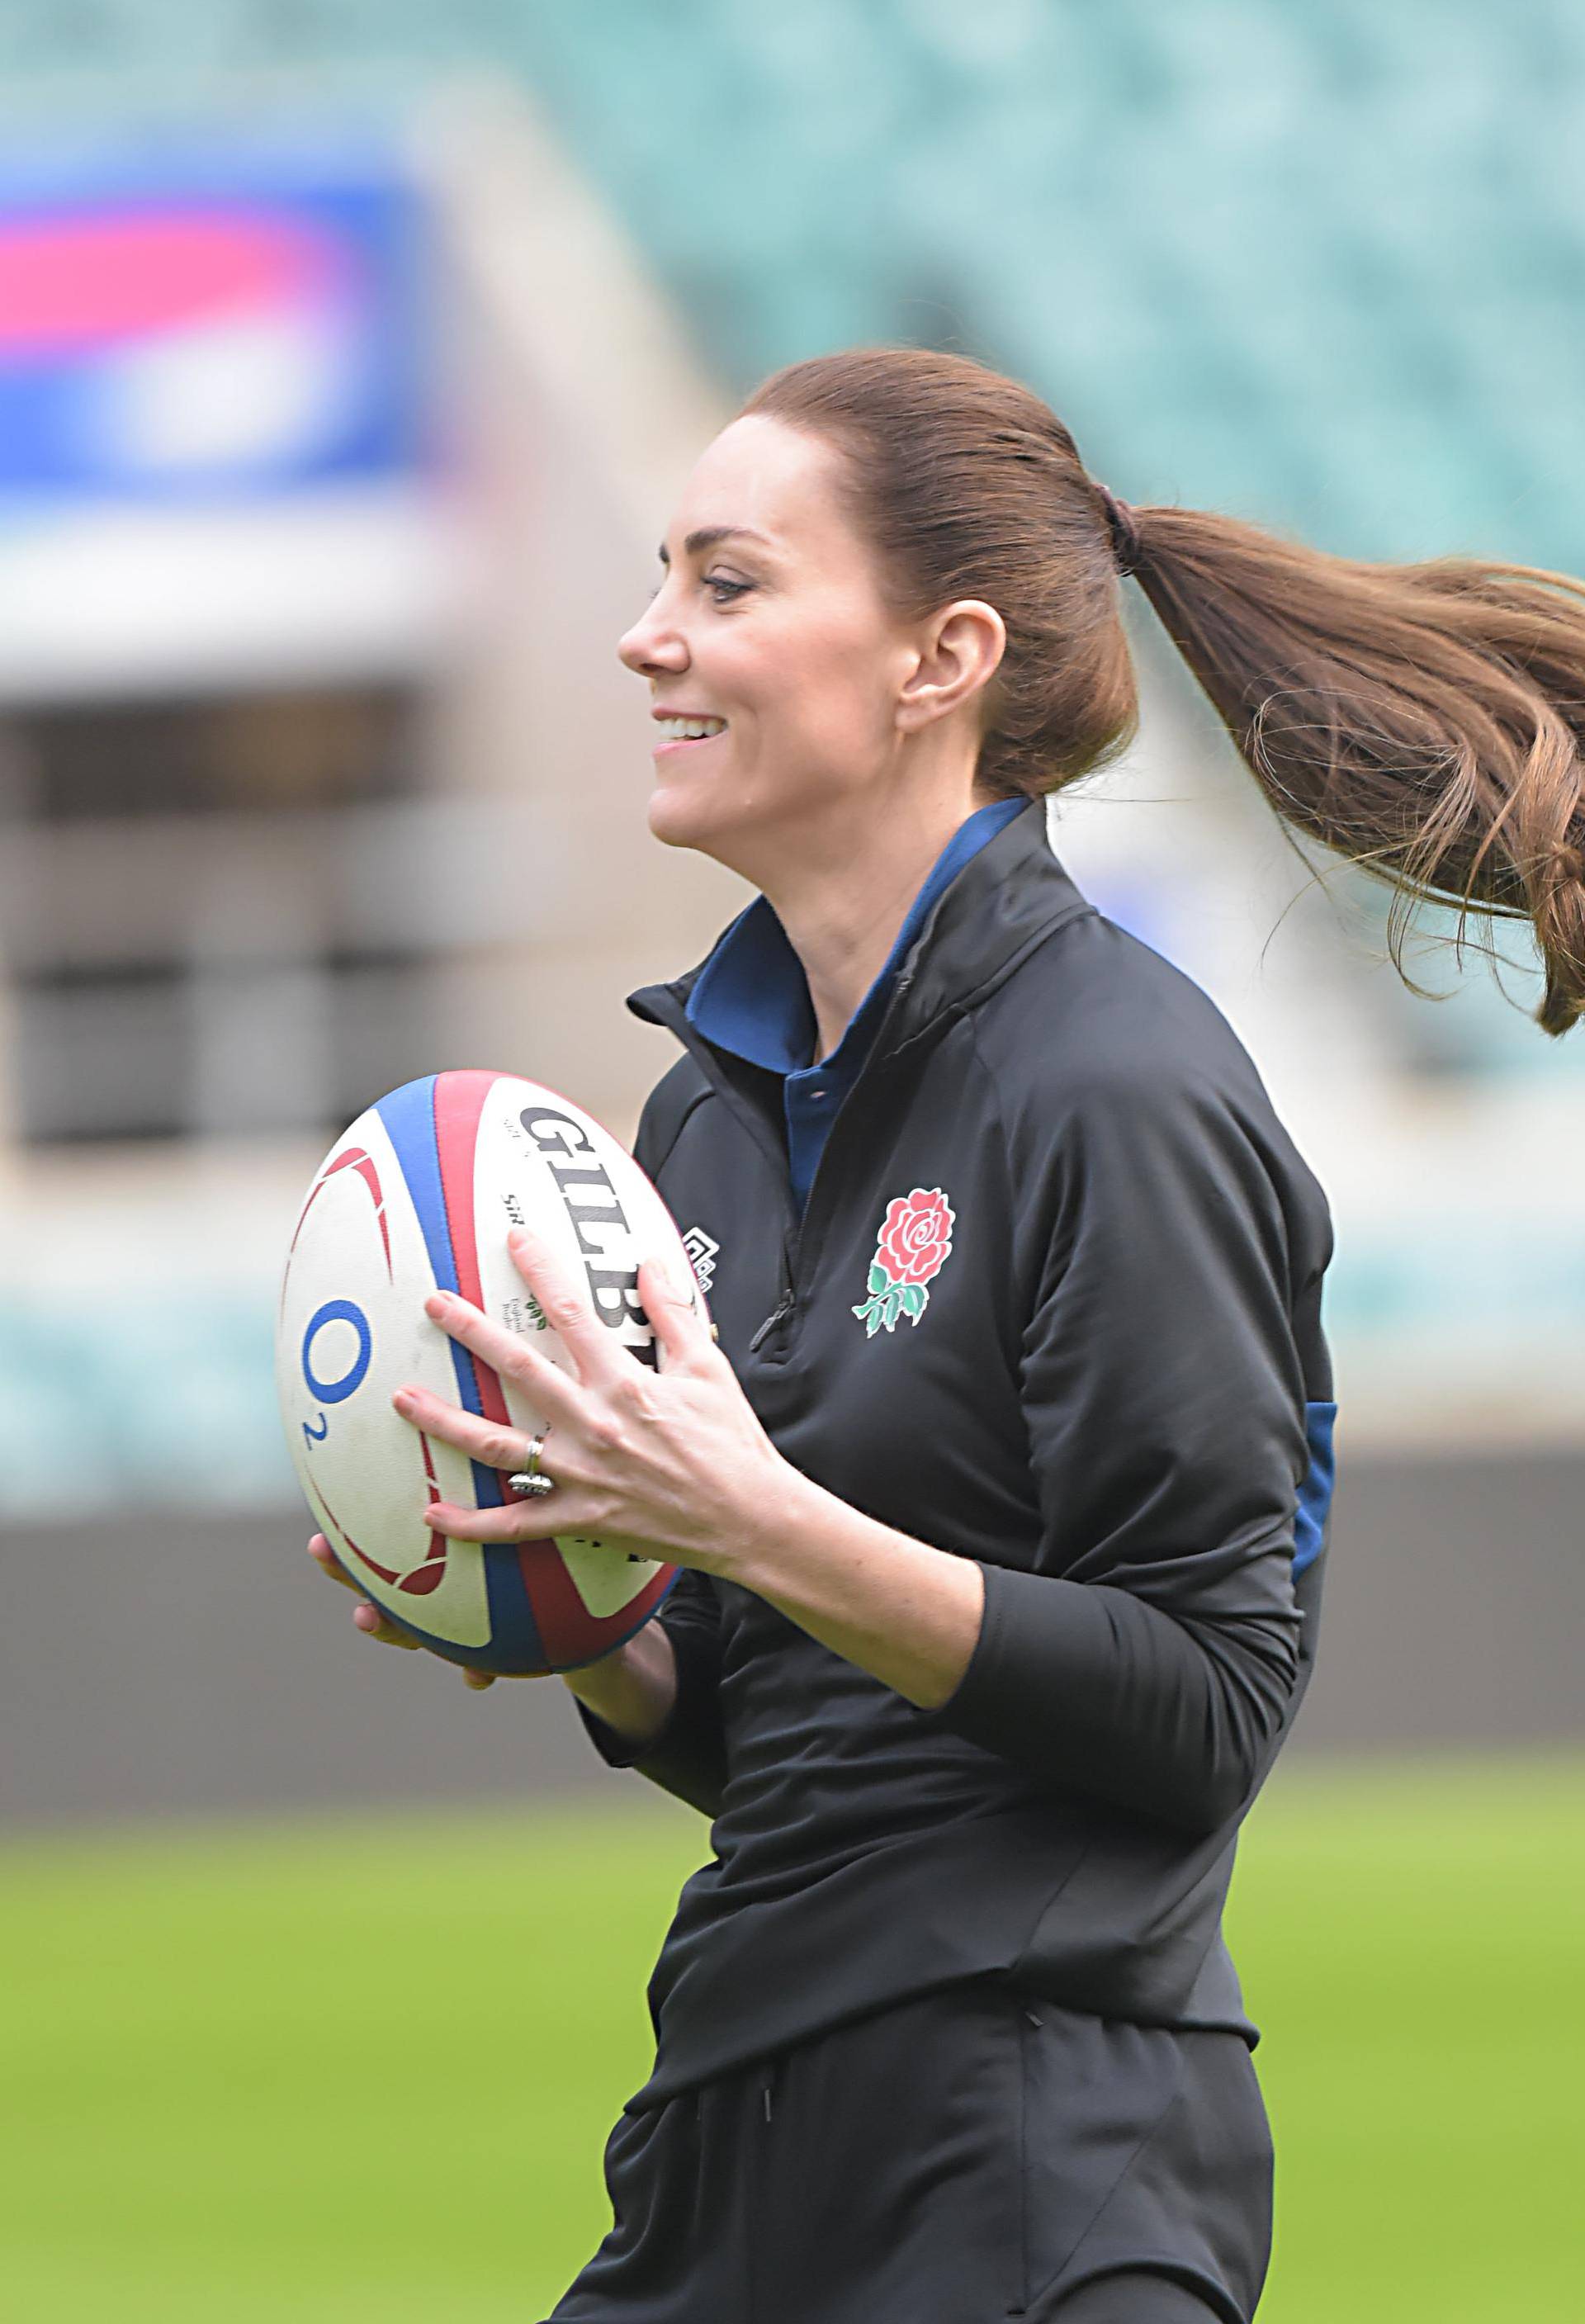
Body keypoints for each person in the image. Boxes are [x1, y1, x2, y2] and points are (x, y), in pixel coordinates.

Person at [313, 348, 1585, 2322]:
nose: (648, 634)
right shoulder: (700, 1115)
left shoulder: (1119, 1084)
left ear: (942, 655)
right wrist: (590, 1619)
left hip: (1032, 2174)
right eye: (662, 574)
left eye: (728, 582)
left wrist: (749, 1517)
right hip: (730, 2131)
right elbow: (781, 1730)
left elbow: (1207, 1703)